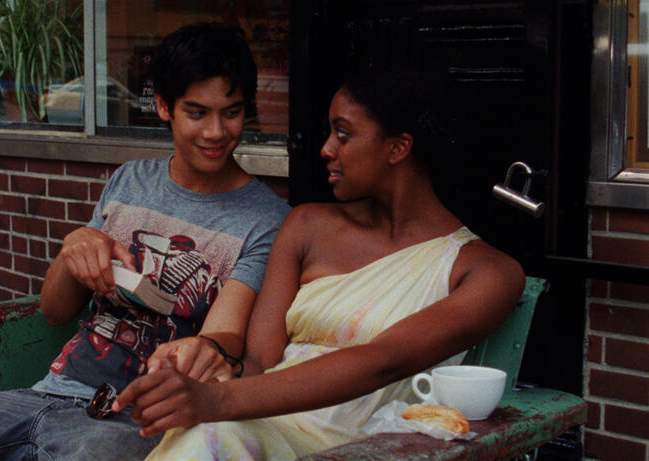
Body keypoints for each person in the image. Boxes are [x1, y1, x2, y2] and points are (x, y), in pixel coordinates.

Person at [0, 23, 289, 461]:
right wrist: (76, 251)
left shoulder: (264, 219)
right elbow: (55, 311)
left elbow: (225, 334)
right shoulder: (131, 181)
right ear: (165, 107)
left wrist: (207, 354)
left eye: (230, 113)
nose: (216, 132)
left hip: (132, 424)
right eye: (197, 112)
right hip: (46, 394)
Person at [114, 68, 526, 460]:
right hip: (258, 425)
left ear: (397, 148)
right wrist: (204, 370)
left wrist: (215, 400)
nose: (326, 149)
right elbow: (258, 361)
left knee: (213, 432)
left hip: (365, 447)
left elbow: (386, 359)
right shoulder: (307, 226)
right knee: (210, 435)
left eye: (343, 134)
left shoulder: (485, 273)